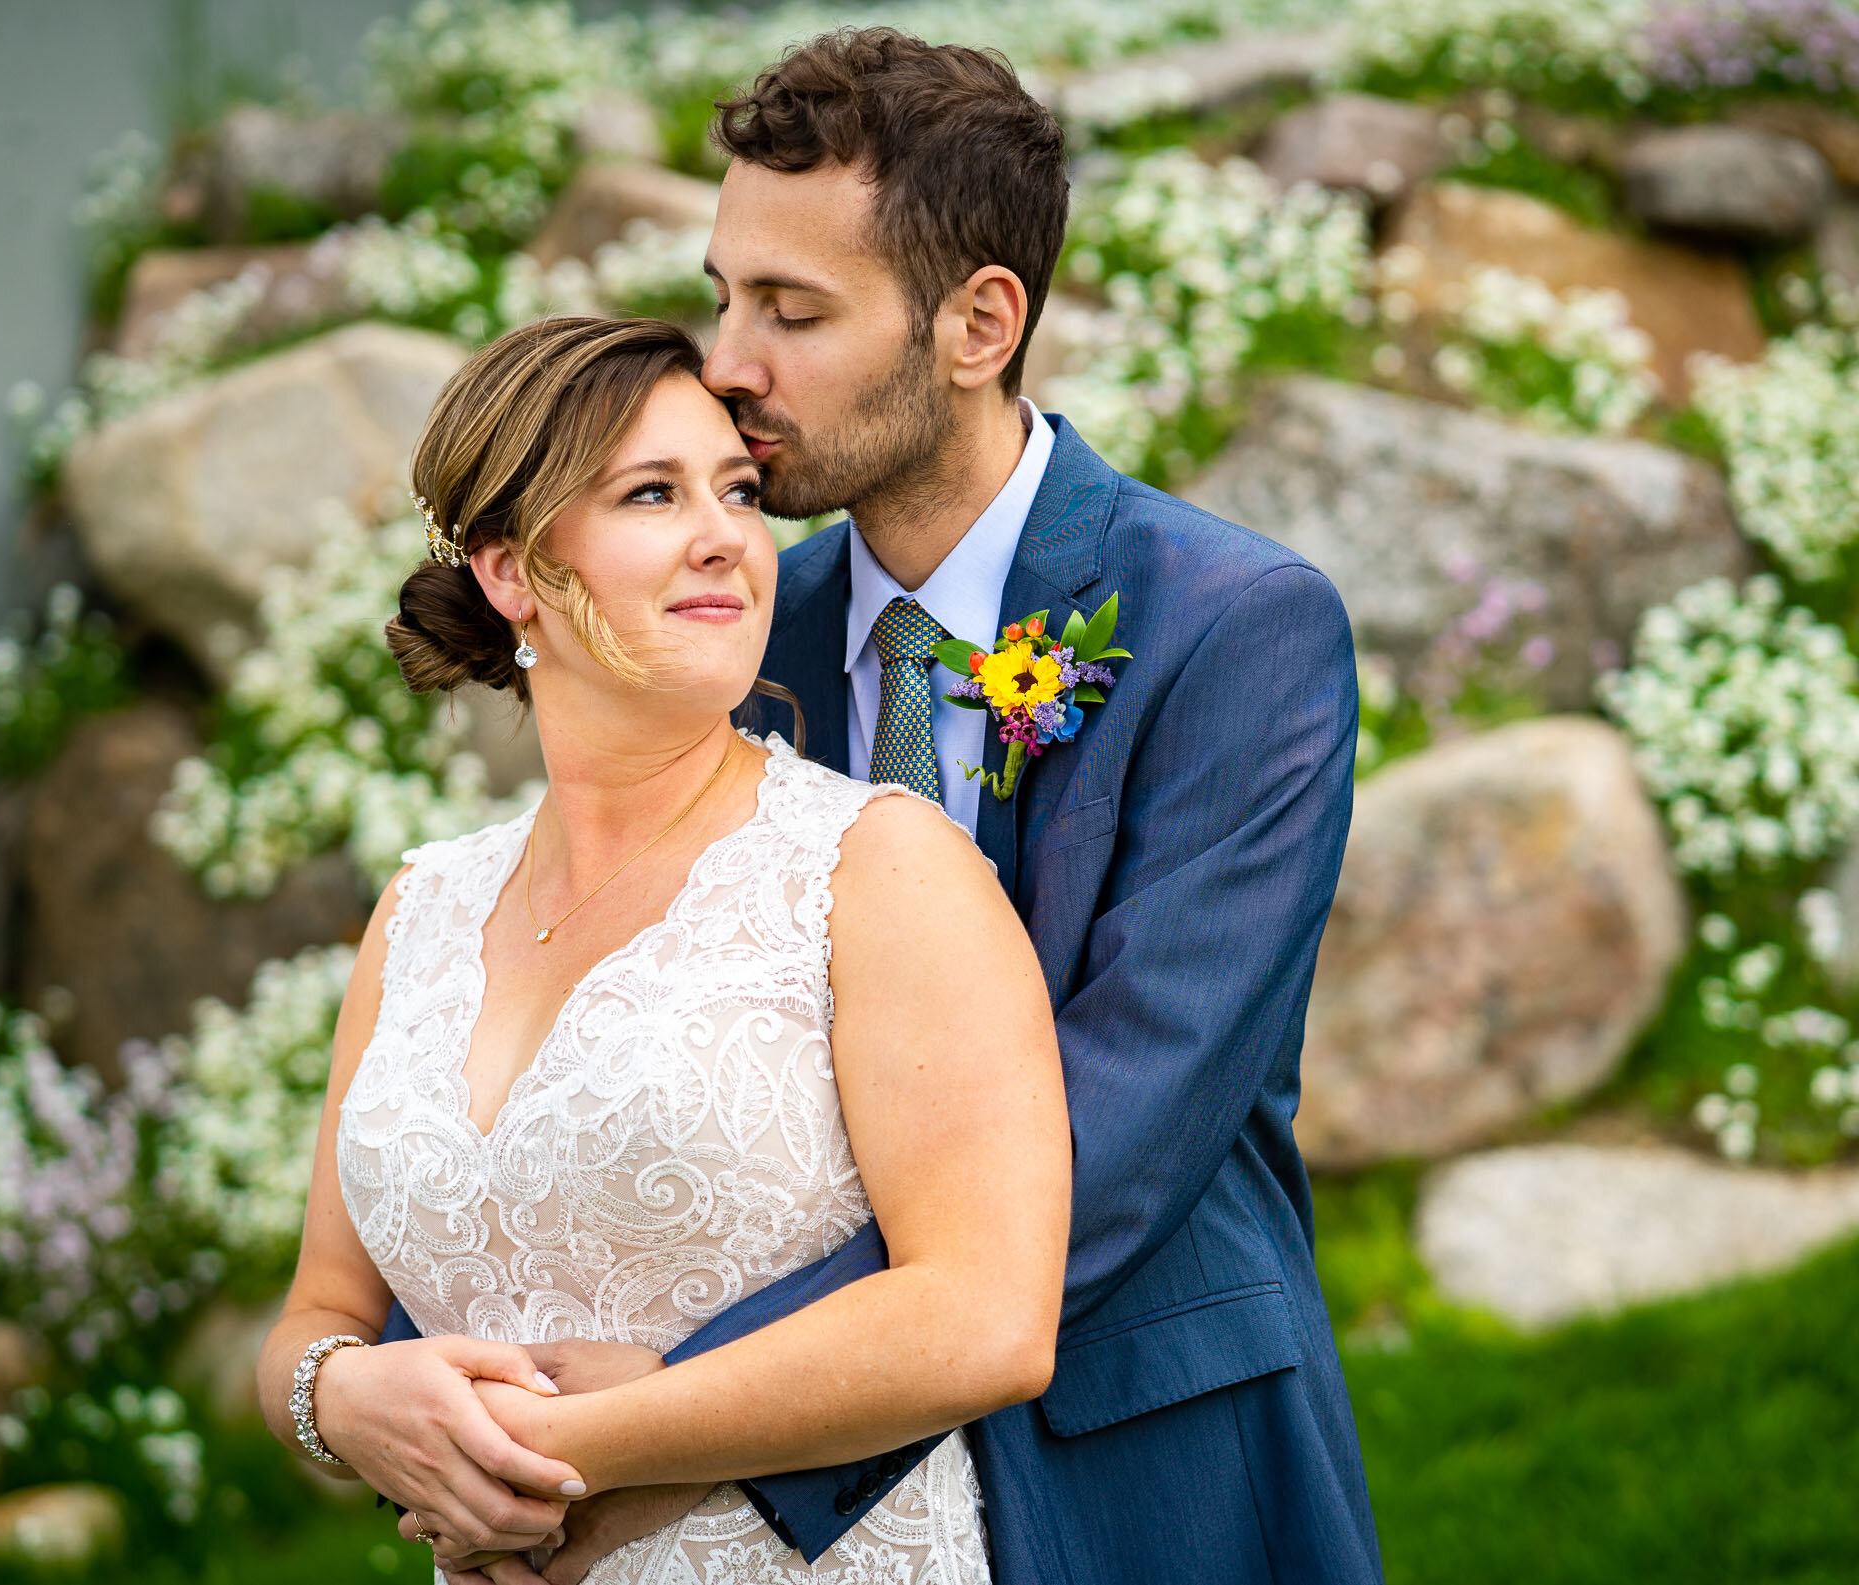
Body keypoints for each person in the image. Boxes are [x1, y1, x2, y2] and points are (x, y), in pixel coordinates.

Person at [364, 25, 1381, 1585]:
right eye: (722, 294)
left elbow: (1123, 1124)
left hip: (1139, 1453)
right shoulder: (728, 629)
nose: (726, 366)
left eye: (792, 310)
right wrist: (406, 1396)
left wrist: (689, 1414)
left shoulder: (1232, 628)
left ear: (978, 324)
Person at [255, 312, 1072, 1585]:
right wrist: (340, 1399)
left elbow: (987, 1317)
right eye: (651, 493)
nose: (726, 538)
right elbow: (319, 1312)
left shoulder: (877, 867)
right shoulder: (420, 908)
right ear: (510, 571)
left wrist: (567, 1449)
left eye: (738, 492)